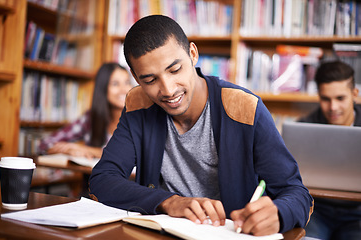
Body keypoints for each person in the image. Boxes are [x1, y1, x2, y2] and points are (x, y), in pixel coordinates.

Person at [89, 15, 313, 236]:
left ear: (193, 54)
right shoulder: (137, 105)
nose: (167, 90)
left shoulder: (245, 107)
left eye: (175, 70)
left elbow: (296, 192)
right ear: (137, 79)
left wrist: (279, 213)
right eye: (150, 80)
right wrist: (169, 202)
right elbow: (103, 178)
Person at [298, 61, 361, 240]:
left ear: (354, 94)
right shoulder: (304, 127)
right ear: (318, 96)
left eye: (340, 98)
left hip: (358, 212)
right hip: (317, 210)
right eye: (326, 99)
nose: (333, 107)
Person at [39, 62, 132, 158]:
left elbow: (128, 156)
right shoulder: (90, 118)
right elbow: (45, 144)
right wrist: (69, 150)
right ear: (103, 88)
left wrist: (87, 150)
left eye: (127, 82)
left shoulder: (138, 120)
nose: (124, 89)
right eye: (115, 84)